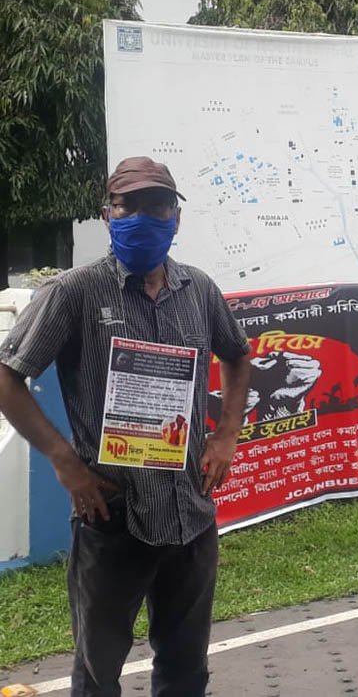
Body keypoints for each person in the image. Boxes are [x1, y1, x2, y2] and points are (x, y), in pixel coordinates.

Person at [0, 156, 252, 696]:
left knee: (186, 670)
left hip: (188, 510)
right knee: (98, 674)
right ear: (107, 215)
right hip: (111, 511)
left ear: (176, 217)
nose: (142, 218)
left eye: (156, 205)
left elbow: (237, 354)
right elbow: (7, 376)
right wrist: (65, 464)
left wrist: (227, 435)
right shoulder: (75, 291)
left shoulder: (199, 290)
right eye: (127, 206)